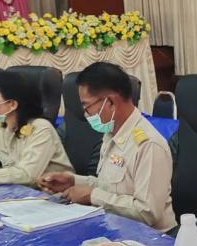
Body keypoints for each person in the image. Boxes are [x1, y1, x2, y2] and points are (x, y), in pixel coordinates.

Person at [37, 62, 175, 232]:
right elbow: (110, 187)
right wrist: (72, 181)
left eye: (86, 106)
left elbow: (147, 212)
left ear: (110, 102)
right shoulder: (112, 133)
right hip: (115, 229)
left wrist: (92, 196)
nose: (86, 114)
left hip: (151, 238)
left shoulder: (148, 145)